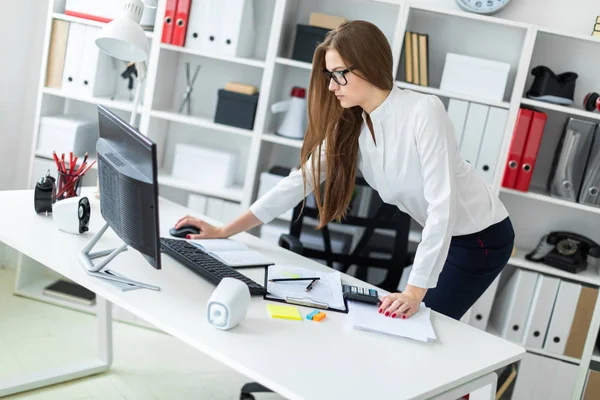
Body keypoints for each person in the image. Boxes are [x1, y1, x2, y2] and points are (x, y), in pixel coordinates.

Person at [174, 20, 515, 321]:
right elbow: (299, 182)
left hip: (480, 238)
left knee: (430, 327)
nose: (333, 85)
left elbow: (443, 205)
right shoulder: (352, 124)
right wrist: (224, 231)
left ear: (368, 65)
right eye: (329, 75)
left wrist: (413, 292)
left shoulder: (423, 111)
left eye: (340, 74)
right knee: (405, 324)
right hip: (440, 237)